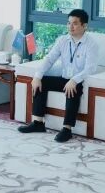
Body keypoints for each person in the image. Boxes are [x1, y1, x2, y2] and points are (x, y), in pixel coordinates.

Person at [17, 9, 98, 143]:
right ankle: (38, 123)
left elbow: (90, 68)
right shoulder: (63, 40)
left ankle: (67, 129)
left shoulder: (91, 44)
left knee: (73, 88)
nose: (70, 26)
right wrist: (37, 76)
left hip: (79, 81)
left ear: (84, 26)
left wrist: (74, 80)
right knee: (41, 81)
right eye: (69, 23)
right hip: (64, 78)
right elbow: (49, 59)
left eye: (75, 23)